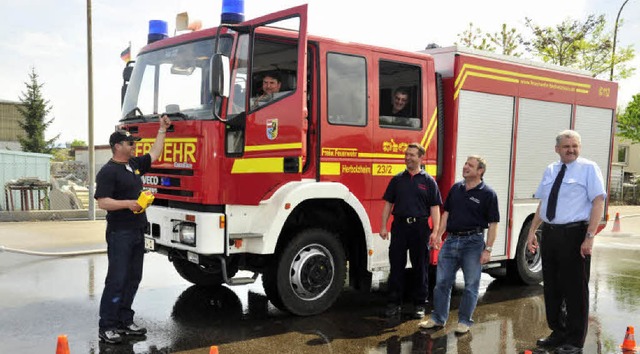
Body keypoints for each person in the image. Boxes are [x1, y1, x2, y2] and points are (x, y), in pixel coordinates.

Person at [526, 130, 605, 354]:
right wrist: (533, 231)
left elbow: (598, 203)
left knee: (575, 289)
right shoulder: (551, 170)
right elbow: (544, 203)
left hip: (575, 235)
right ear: (557, 149)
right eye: (566, 146)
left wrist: (589, 237)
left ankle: (575, 340)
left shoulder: (589, 168)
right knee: (552, 287)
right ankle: (558, 332)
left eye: (575, 146)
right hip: (550, 234)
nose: (571, 150)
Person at [95, 115, 171, 344]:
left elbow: (155, 153)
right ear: (118, 147)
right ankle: (107, 326)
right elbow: (103, 202)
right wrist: (129, 204)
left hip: (138, 231)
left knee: (133, 278)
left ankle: (125, 321)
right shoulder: (108, 172)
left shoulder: (133, 165)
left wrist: (162, 130)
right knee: (117, 280)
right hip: (120, 233)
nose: (134, 146)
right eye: (130, 143)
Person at [419, 155, 499, 334]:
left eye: (470, 165)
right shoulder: (456, 189)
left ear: (480, 171)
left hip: (473, 242)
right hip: (451, 240)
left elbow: (494, 224)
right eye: (465, 164)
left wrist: (488, 249)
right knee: (442, 283)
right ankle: (438, 319)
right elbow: (446, 213)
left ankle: (464, 321)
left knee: (471, 284)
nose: (465, 167)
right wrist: (439, 235)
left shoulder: (488, 194)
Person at [380, 143, 441, 319]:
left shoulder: (428, 181)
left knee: (420, 268)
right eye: (406, 154)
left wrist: (435, 231)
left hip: (420, 228)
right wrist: (383, 226)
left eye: (412, 155)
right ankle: (393, 303)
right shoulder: (397, 179)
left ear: (420, 158)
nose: (408, 158)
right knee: (396, 266)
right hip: (399, 227)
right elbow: (388, 205)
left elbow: (434, 207)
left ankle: (419, 304)